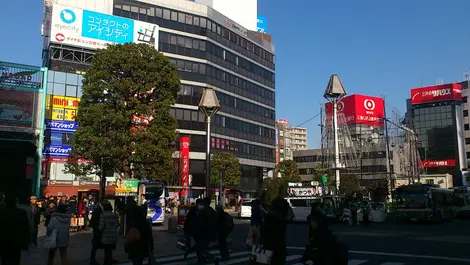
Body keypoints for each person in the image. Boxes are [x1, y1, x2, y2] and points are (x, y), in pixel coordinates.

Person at [0, 194, 30, 265]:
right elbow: (26, 228)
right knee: (16, 259)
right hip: (17, 242)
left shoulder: (2, 213)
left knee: (4, 259)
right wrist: (26, 242)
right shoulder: (21, 213)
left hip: (4, 241)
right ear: (15, 201)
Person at [260, 197, 289, 265]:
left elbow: (264, 232)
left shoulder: (269, 216)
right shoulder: (281, 218)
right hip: (278, 249)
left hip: (268, 248)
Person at [90, 201, 104, 265]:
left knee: (95, 245)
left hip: (97, 229)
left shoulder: (98, 210)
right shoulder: (99, 210)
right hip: (98, 230)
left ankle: (92, 259)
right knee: (95, 245)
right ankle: (92, 259)